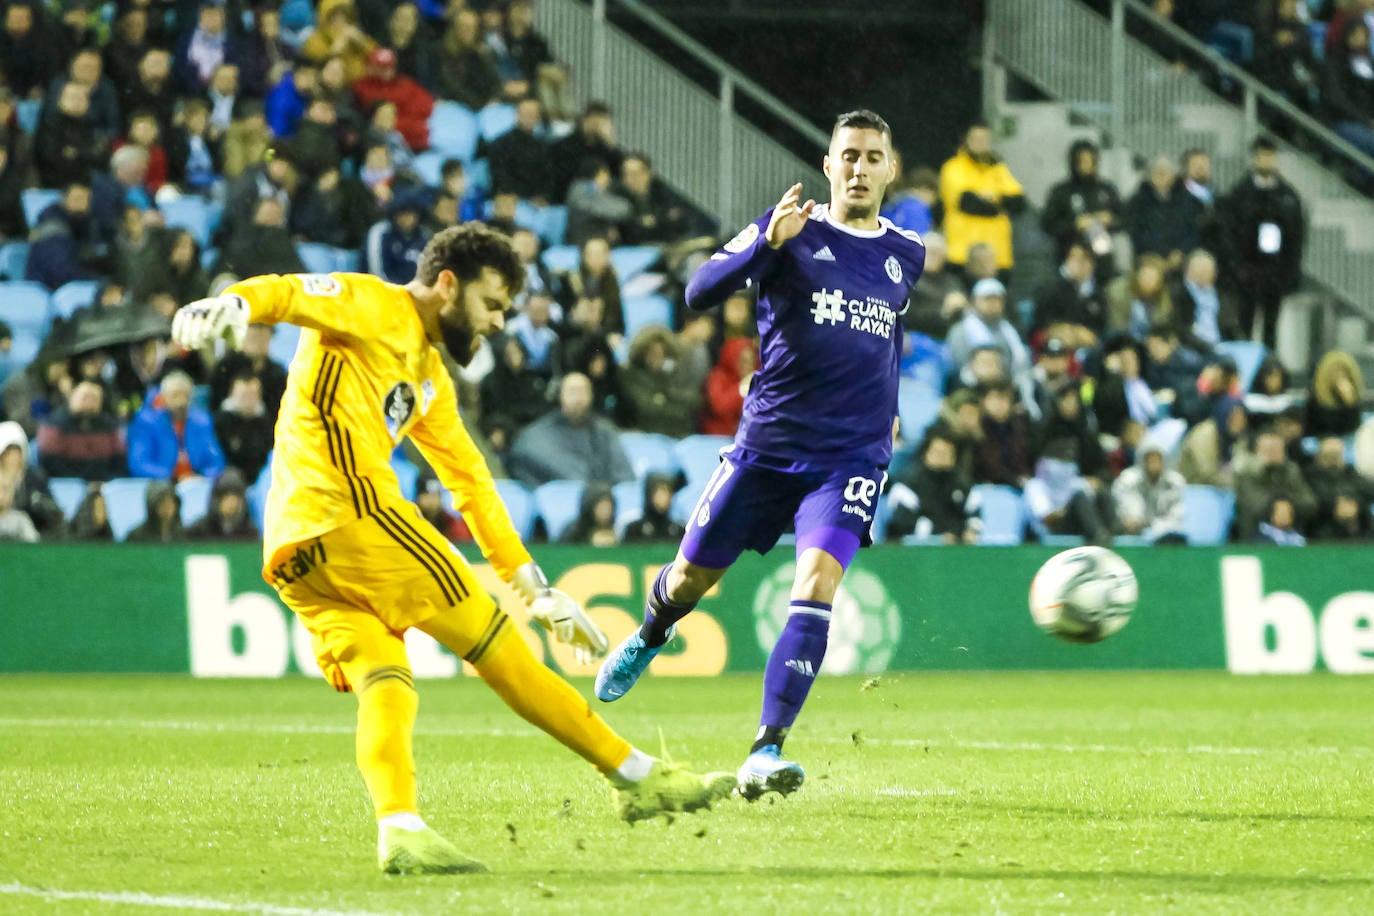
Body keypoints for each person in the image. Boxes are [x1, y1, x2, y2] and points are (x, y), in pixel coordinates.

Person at [169, 224, 734, 874]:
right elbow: (291, 293)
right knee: (503, 653)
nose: (496, 322)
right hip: (353, 515)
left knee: (388, 683)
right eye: (492, 304)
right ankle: (635, 776)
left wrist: (539, 590)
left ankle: (400, 828)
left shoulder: (428, 378)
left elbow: (470, 481)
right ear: (447, 285)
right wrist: (236, 304)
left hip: (296, 553)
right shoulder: (371, 303)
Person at [593, 110, 926, 797]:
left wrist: (886, 406)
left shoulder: (907, 253)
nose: (859, 169)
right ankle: (651, 633)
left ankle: (764, 751)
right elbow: (697, 292)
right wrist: (764, 247)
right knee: (688, 581)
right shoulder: (790, 228)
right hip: (768, 448)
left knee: (817, 587)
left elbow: (885, 335)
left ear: (890, 169)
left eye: (872, 157)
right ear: (828, 166)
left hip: (849, 460)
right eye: (848, 157)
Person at [1223, 137, 1305, 350]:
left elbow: (1296, 237)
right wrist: (1238, 268)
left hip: (1275, 271)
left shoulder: (1288, 195)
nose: (1266, 161)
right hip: (1247, 271)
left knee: (1271, 326)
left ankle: (1269, 370)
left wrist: (1289, 272)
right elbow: (1230, 234)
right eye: (1262, 155)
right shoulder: (1240, 194)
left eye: (1270, 156)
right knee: (1245, 323)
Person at [506, 372, 635, 487]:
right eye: (573, 391)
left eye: (584, 391)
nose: (579, 398)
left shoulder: (604, 430)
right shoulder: (537, 435)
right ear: (560, 395)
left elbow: (623, 474)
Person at [938, 122, 1024, 280]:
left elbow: (1018, 202)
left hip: (998, 257)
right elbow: (968, 203)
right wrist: (998, 201)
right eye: (976, 138)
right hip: (962, 255)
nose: (980, 143)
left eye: (984, 138)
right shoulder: (953, 168)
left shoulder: (998, 169)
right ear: (966, 140)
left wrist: (989, 199)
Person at [126, 370, 226, 481]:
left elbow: (216, 461)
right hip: (161, 484)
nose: (181, 402)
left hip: (196, 484)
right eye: (175, 396)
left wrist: (204, 477)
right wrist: (172, 478)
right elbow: (138, 463)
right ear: (163, 398)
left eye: (185, 395)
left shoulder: (202, 421)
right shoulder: (147, 422)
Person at [884, 430, 980, 543]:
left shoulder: (962, 484)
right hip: (915, 550)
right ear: (927, 453)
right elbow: (902, 524)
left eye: (948, 453)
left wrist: (969, 532)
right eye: (938, 452)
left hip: (956, 548)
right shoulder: (908, 483)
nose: (942, 457)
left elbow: (974, 514)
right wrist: (938, 536)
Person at [1039, 139, 1122, 266]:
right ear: (1074, 162)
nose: (1086, 165)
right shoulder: (1061, 191)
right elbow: (1048, 225)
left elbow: (1125, 219)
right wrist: (1075, 224)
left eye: (1090, 161)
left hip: (1102, 257)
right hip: (1069, 256)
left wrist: (1110, 220)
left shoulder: (1107, 189)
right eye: (1082, 161)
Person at [1111, 438, 1187, 543]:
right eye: (1150, 459)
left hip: (1164, 530)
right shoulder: (1128, 480)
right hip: (1133, 531)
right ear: (1142, 460)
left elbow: (1177, 514)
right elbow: (1132, 516)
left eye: (1157, 459)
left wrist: (1159, 525)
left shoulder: (1174, 482)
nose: (1154, 463)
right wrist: (1140, 523)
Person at [1306, 350, 1364, 437]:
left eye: (1344, 371)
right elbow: (1318, 427)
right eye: (1335, 371)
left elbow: (1355, 429)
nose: (1339, 375)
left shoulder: (1353, 397)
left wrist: (1350, 403)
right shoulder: (1315, 397)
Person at [622, 473, 686, 543]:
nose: (665, 497)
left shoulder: (679, 531)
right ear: (650, 495)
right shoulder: (634, 530)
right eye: (661, 492)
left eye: (668, 492)